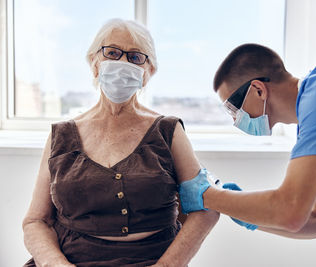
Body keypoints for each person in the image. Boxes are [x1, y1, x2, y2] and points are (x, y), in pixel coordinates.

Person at [178, 43, 316, 266]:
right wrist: (244, 214)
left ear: (258, 89)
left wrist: (207, 195)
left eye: (232, 109)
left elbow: (290, 210)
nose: (235, 120)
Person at [22, 18, 219, 267]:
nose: (122, 63)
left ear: (149, 73)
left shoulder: (168, 131)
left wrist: (167, 266)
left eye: (136, 57)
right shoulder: (61, 136)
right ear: (94, 62)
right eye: (112, 53)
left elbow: (205, 210)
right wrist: (56, 265)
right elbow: (36, 221)